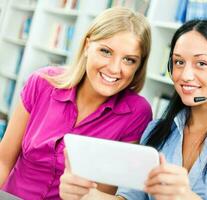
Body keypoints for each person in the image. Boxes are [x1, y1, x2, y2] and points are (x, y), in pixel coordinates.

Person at [59, 20, 207, 200]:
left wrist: (186, 197)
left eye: (201, 63)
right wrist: (87, 194)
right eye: (179, 62)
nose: (185, 75)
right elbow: (131, 198)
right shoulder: (157, 131)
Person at [0, 7, 152, 199]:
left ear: (139, 66)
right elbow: (3, 162)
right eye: (106, 51)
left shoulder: (137, 112)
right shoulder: (41, 83)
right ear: (88, 46)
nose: (114, 68)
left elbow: (104, 194)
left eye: (129, 60)